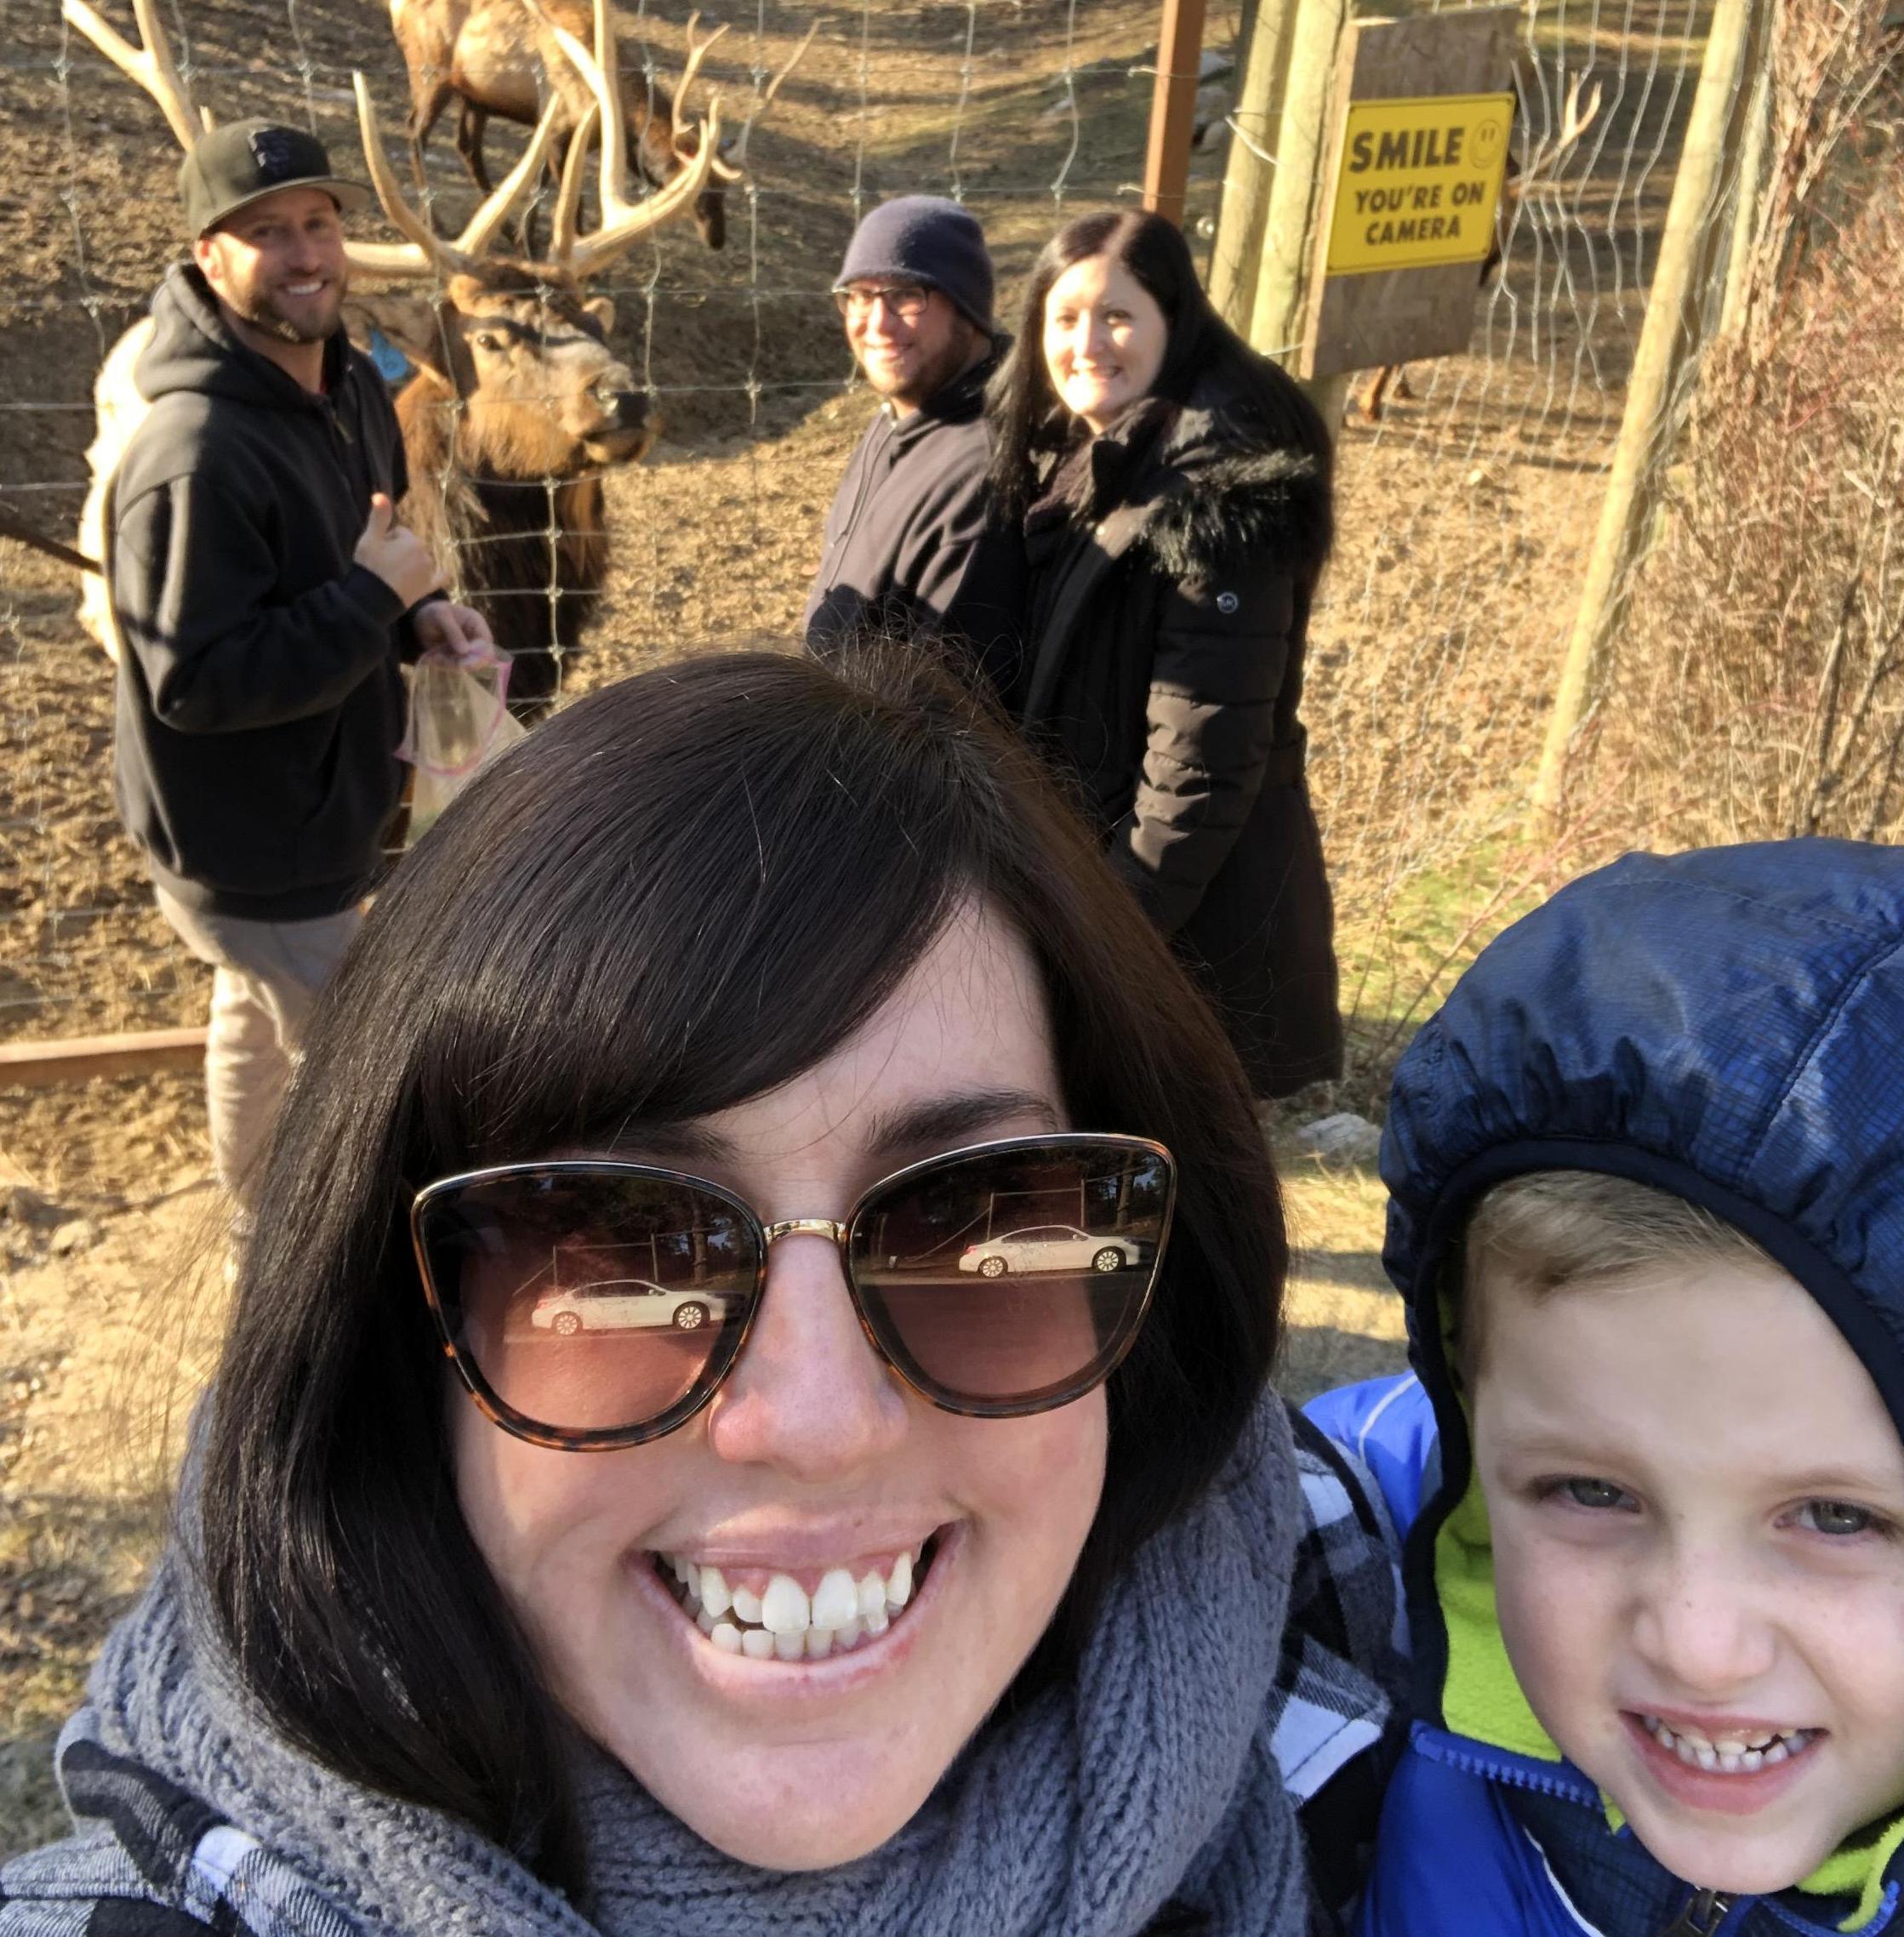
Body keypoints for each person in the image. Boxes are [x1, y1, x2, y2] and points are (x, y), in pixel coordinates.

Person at [1, 648, 1401, 1936]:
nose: (817, 1419)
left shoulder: (1394, 1696)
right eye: (609, 1253)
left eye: (979, 1230)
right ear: (389, 1345)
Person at [1304, 839, 1904, 1934]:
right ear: (1470, 1414)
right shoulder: (1326, 1581)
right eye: (1590, 1493)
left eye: (1838, 1516)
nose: (1697, 1644)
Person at [104, 121, 492, 1218]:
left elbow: (362, 557)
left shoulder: (352, 389)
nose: (305, 253)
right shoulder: (194, 454)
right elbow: (201, 681)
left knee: (253, 1022)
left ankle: (252, 1220)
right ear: (207, 256)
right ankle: (315, 1258)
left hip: (317, 807)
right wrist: (376, 599)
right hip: (253, 839)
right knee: (360, 1070)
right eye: (266, 231)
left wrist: (421, 616)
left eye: (318, 223)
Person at [985, 209, 1342, 1100]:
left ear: (1173, 323)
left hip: (1183, 934)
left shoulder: (1217, 495)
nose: (1086, 343)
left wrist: (1114, 939)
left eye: (1117, 316)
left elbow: (1201, 763)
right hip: (1117, 901)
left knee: (1166, 1197)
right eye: (1064, 318)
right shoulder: (1104, 458)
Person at [803, 197, 1028, 702]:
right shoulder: (897, 421)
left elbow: (945, 714)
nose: (875, 323)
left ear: (968, 311)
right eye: (858, 296)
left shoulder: (979, 474)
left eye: (905, 296)